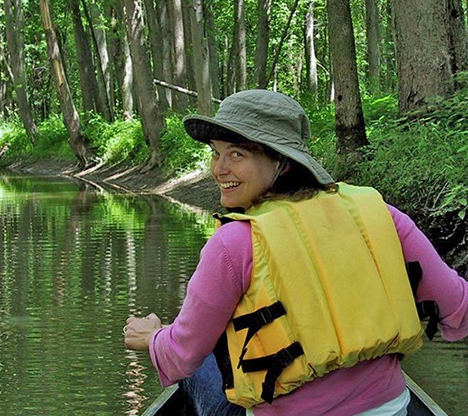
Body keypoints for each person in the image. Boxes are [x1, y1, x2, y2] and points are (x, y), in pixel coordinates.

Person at [123, 90, 468, 415]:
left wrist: (153, 337)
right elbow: (457, 307)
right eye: (216, 152)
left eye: (237, 154)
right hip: (390, 409)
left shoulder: (235, 241)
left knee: (208, 359)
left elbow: (183, 355)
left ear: (283, 162)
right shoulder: (382, 215)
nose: (218, 169)